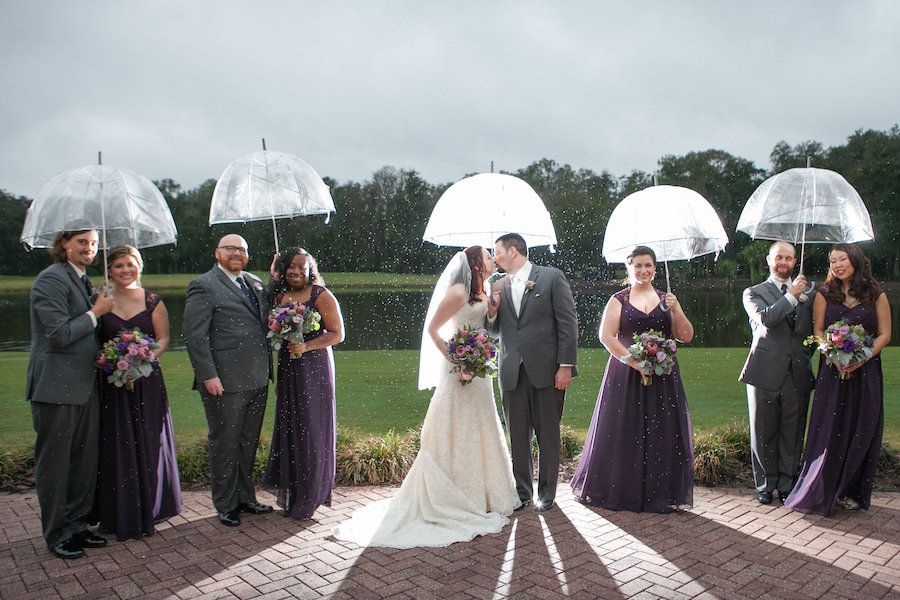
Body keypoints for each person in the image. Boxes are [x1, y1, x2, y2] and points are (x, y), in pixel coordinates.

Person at [332, 247, 519, 547]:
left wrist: (493, 311)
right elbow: (433, 328)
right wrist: (455, 356)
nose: (491, 259)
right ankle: (451, 494)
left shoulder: (484, 291)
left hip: (480, 374)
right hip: (458, 372)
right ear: (474, 263)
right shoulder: (458, 291)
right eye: (487, 255)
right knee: (456, 429)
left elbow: (488, 329)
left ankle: (483, 493)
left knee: (482, 426)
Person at [570, 246, 695, 512]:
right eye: (637, 265)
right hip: (625, 373)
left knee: (661, 430)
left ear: (655, 268)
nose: (643, 271)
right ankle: (621, 489)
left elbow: (685, 336)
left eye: (648, 265)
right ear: (629, 268)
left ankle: (658, 492)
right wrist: (635, 363)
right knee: (623, 430)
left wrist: (677, 310)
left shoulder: (667, 299)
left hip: (663, 375)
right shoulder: (619, 299)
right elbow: (606, 337)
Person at [26, 225, 114, 558]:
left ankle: (78, 527)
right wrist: (96, 312)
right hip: (55, 388)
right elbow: (59, 334)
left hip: (85, 385)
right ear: (64, 244)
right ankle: (56, 534)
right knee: (55, 465)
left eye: (93, 243)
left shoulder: (82, 280)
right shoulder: (51, 280)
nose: (89, 248)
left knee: (82, 462)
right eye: (82, 242)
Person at [785, 243, 891, 516]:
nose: (837, 264)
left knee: (861, 427)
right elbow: (818, 331)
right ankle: (823, 486)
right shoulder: (824, 294)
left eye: (842, 259)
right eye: (833, 261)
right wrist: (833, 355)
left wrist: (862, 357)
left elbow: (884, 334)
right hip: (832, 372)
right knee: (828, 427)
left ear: (855, 260)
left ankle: (852, 490)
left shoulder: (876, 295)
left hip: (866, 372)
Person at [89, 245, 182, 541]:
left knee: (148, 441)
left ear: (139, 266)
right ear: (110, 270)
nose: (125, 270)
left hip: (147, 382)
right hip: (112, 385)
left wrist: (145, 359)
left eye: (130, 264)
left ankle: (150, 507)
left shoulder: (153, 300)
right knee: (117, 443)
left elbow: (164, 338)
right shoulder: (100, 301)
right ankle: (118, 511)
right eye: (118, 265)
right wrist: (114, 362)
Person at [183, 234, 274, 527]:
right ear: (217, 253)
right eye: (231, 248)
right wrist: (208, 375)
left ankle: (246, 497)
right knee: (225, 442)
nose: (237, 253)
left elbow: (265, 314)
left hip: (258, 376)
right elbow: (196, 337)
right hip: (224, 381)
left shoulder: (253, 282)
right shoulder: (203, 285)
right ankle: (225, 503)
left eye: (242, 249)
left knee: (248, 442)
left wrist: (274, 279)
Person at [487, 233, 579, 512]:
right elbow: (495, 330)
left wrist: (565, 366)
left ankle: (547, 495)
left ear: (513, 251)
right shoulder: (497, 285)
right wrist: (491, 312)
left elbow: (568, 322)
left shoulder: (551, 277)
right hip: (511, 371)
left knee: (548, 433)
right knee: (517, 435)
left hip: (548, 371)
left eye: (497, 252)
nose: (494, 258)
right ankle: (523, 493)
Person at [261, 248, 345, 519]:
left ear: (311, 270)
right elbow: (277, 340)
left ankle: (311, 496)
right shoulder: (279, 297)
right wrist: (277, 376)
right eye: (291, 267)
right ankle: (295, 493)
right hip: (288, 367)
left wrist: (306, 345)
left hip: (314, 367)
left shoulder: (321, 295)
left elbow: (337, 334)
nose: (296, 271)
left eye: (302, 267)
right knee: (291, 428)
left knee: (312, 427)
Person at [738, 241, 815, 505]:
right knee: (762, 431)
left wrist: (805, 355)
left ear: (795, 262)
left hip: (797, 373)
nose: (783, 262)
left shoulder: (811, 293)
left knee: (792, 433)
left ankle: (786, 484)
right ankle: (764, 484)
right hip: (763, 372)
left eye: (789, 258)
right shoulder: (753, 292)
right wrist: (792, 296)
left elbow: (811, 335)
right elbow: (767, 319)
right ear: (769, 260)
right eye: (778, 257)